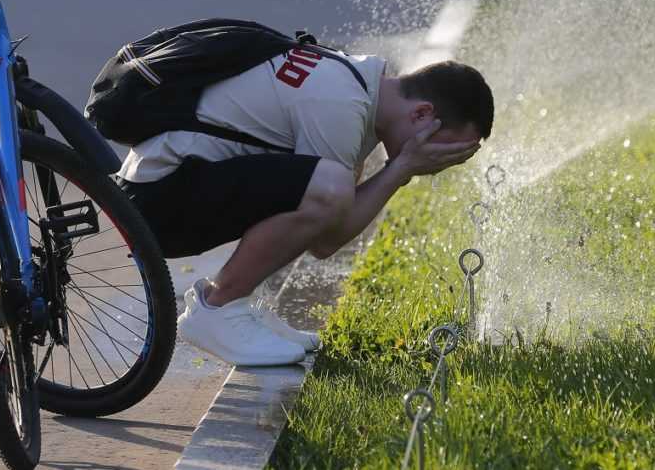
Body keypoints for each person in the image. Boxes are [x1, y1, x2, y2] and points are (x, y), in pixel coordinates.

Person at [117, 45, 493, 367]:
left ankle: (245, 305)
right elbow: (327, 237)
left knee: (325, 185)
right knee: (329, 187)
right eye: (445, 148)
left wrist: (400, 166)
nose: (440, 162)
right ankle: (218, 308)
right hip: (160, 202)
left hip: (169, 182)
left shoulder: (359, 80)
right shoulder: (342, 106)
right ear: (422, 114)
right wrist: (402, 168)